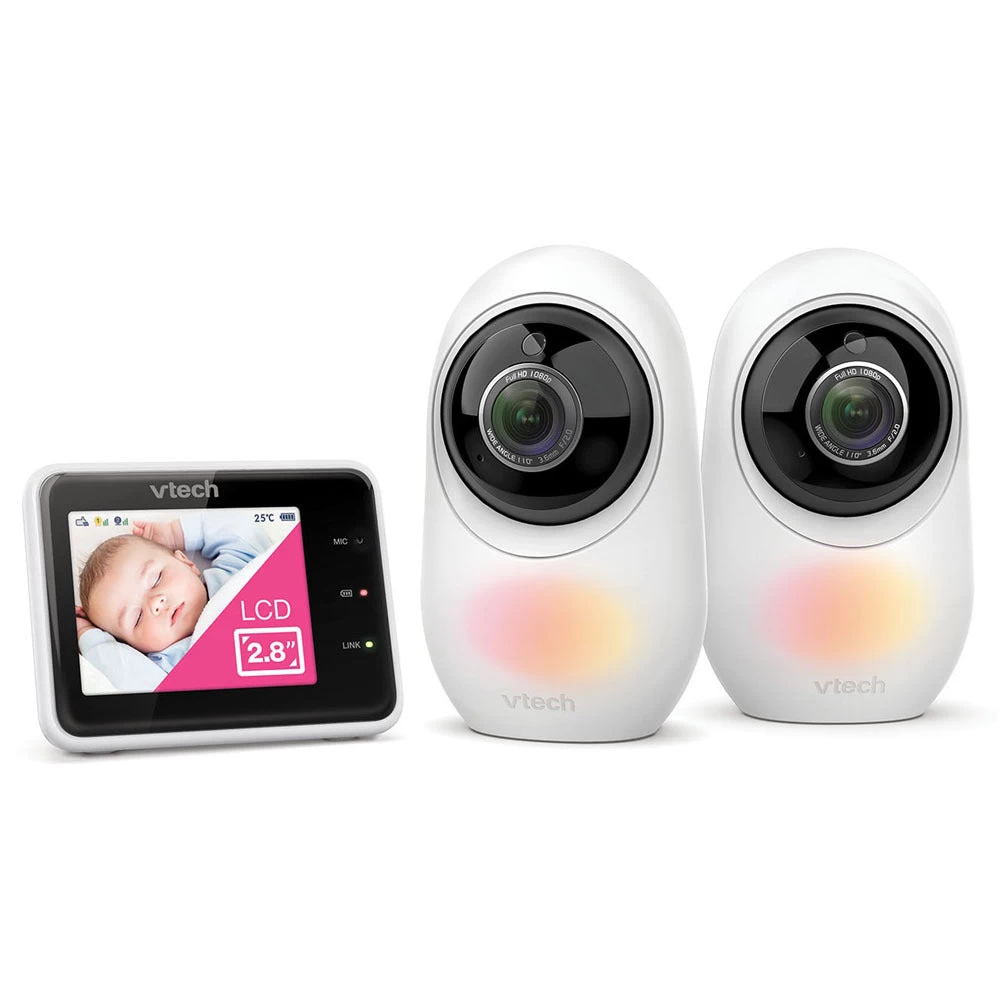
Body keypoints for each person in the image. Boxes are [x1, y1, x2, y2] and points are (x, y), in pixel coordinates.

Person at [75, 515, 271, 691]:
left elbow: (241, 527)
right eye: (137, 618)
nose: (156, 604)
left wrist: (176, 533)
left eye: (157, 579)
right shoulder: (165, 669)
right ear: (133, 646)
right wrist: (88, 634)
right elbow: (124, 673)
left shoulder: (235, 572)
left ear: (187, 563)